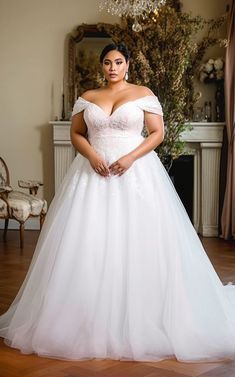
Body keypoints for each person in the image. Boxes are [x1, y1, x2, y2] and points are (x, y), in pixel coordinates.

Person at [0, 43, 235, 363]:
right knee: (88, 241)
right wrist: (93, 155)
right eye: (107, 62)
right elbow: (77, 134)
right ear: (102, 66)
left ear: (127, 65)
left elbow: (156, 133)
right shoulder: (88, 97)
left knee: (139, 239)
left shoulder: (143, 93)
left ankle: (146, 311)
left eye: (118, 61)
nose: (112, 67)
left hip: (135, 172)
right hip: (92, 173)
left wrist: (130, 158)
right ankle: (85, 312)